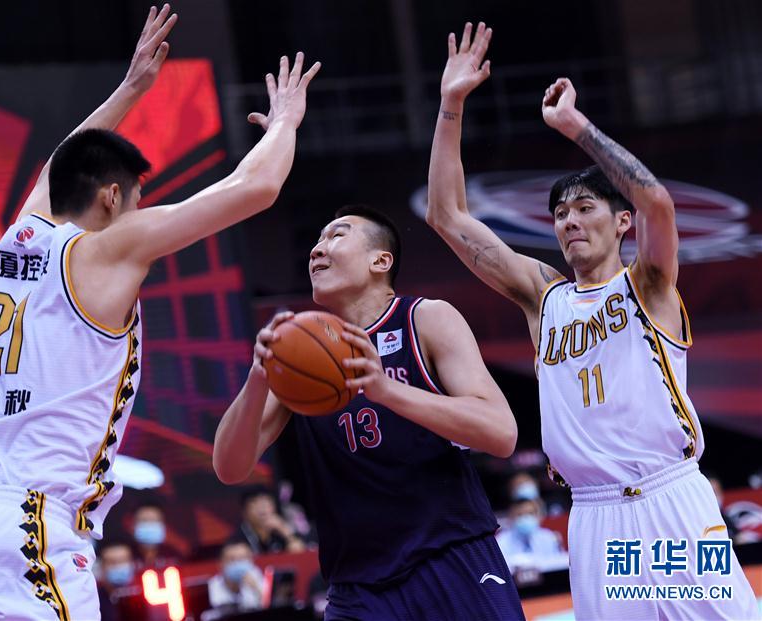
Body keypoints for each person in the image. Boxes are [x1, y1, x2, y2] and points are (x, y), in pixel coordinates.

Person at [0, 5, 322, 618]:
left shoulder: (15, 245)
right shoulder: (106, 247)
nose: (138, 213)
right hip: (29, 532)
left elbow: (57, 168)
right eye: (135, 200)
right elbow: (256, 188)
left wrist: (132, 88)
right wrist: (286, 122)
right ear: (112, 198)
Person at [425, 21, 759, 619]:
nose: (570, 221)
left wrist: (575, 127)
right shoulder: (543, 297)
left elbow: (657, 201)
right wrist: (451, 104)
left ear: (621, 222)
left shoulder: (647, 284)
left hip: (670, 496)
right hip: (594, 514)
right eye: (560, 213)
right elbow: (447, 216)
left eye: (585, 207)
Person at [213, 202, 524, 620]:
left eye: (336, 235)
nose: (317, 250)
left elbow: (501, 433)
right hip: (357, 587)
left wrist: (386, 391)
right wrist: (258, 377)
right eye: (317, 241)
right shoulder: (299, 353)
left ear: (381, 261)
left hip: (449, 557)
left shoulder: (425, 318)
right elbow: (229, 467)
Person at [230, 485, 306, 554]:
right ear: (244, 512)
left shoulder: (280, 532)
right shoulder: (237, 538)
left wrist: (284, 530)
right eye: (255, 502)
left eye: (266, 502)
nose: (262, 508)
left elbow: (299, 552)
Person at [496, 498, 566, 572]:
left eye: (530, 514)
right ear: (511, 517)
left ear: (538, 515)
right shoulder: (501, 541)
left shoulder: (548, 537)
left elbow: (559, 563)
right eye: (520, 515)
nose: (526, 518)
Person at [205, 541, 266, 614]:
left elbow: (270, 606)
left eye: (243, 559)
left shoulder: (256, 577)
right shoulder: (211, 589)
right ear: (220, 564)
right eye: (232, 560)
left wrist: (256, 588)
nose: (238, 564)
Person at [96, 540, 147, 621]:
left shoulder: (144, 595)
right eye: (112, 562)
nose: (118, 566)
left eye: (123, 561)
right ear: (102, 567)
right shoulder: (94, 600)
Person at [131, 498, 185, 568]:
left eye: (154, 521)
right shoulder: (125, 556)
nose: (149, 526)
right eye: (144, 521)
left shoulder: (173, 555)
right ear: (133, 525)